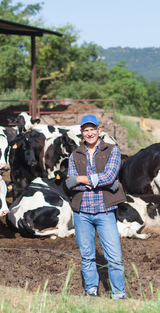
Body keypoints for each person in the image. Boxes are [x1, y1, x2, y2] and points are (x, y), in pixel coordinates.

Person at [66, 114, 127, 299]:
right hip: (82, 212)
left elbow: (110, 176)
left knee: (114, 257)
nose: (90, 133)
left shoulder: (112, 150)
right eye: (86, 130)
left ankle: (118, 294)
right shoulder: (75, 154)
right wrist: (102, 181)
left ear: (99, 130)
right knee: (87, 256)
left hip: (105, 211)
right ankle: (91, 291)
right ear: (82, 133)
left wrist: (81, 179)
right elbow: (70, 182)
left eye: (93, 129)